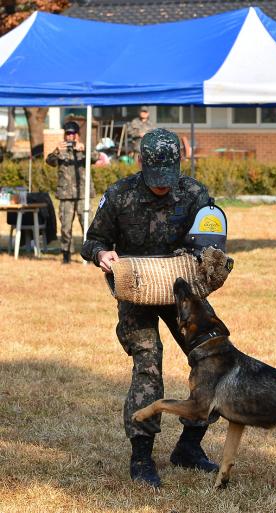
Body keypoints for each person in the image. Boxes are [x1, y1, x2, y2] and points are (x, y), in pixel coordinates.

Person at [80, 128, 219, 488]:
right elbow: (92, 240)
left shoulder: (194, 193)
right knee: (148, 364)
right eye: (156, 179)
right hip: (136, 289)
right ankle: (141, 456)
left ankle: (189, 446)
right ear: (142, 163)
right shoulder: (120, 196)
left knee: (214, 358)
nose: (162, 186)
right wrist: (101, 254)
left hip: (181, 289)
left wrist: (211, 258)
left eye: (167, 179)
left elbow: (211, 238)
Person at [46, 121, 97, 264]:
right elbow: (49, 161)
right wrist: (57, 150)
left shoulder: (84, 149)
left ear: (78, 135)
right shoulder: (60, 150)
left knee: (87, 226)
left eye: (73, 133)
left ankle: (90, 254)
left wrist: (85, 149)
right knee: (65, 227)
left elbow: (96, 157)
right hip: (66, 195)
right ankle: (66, 255)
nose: (70, 136)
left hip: (83, 194)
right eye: (68, 133)